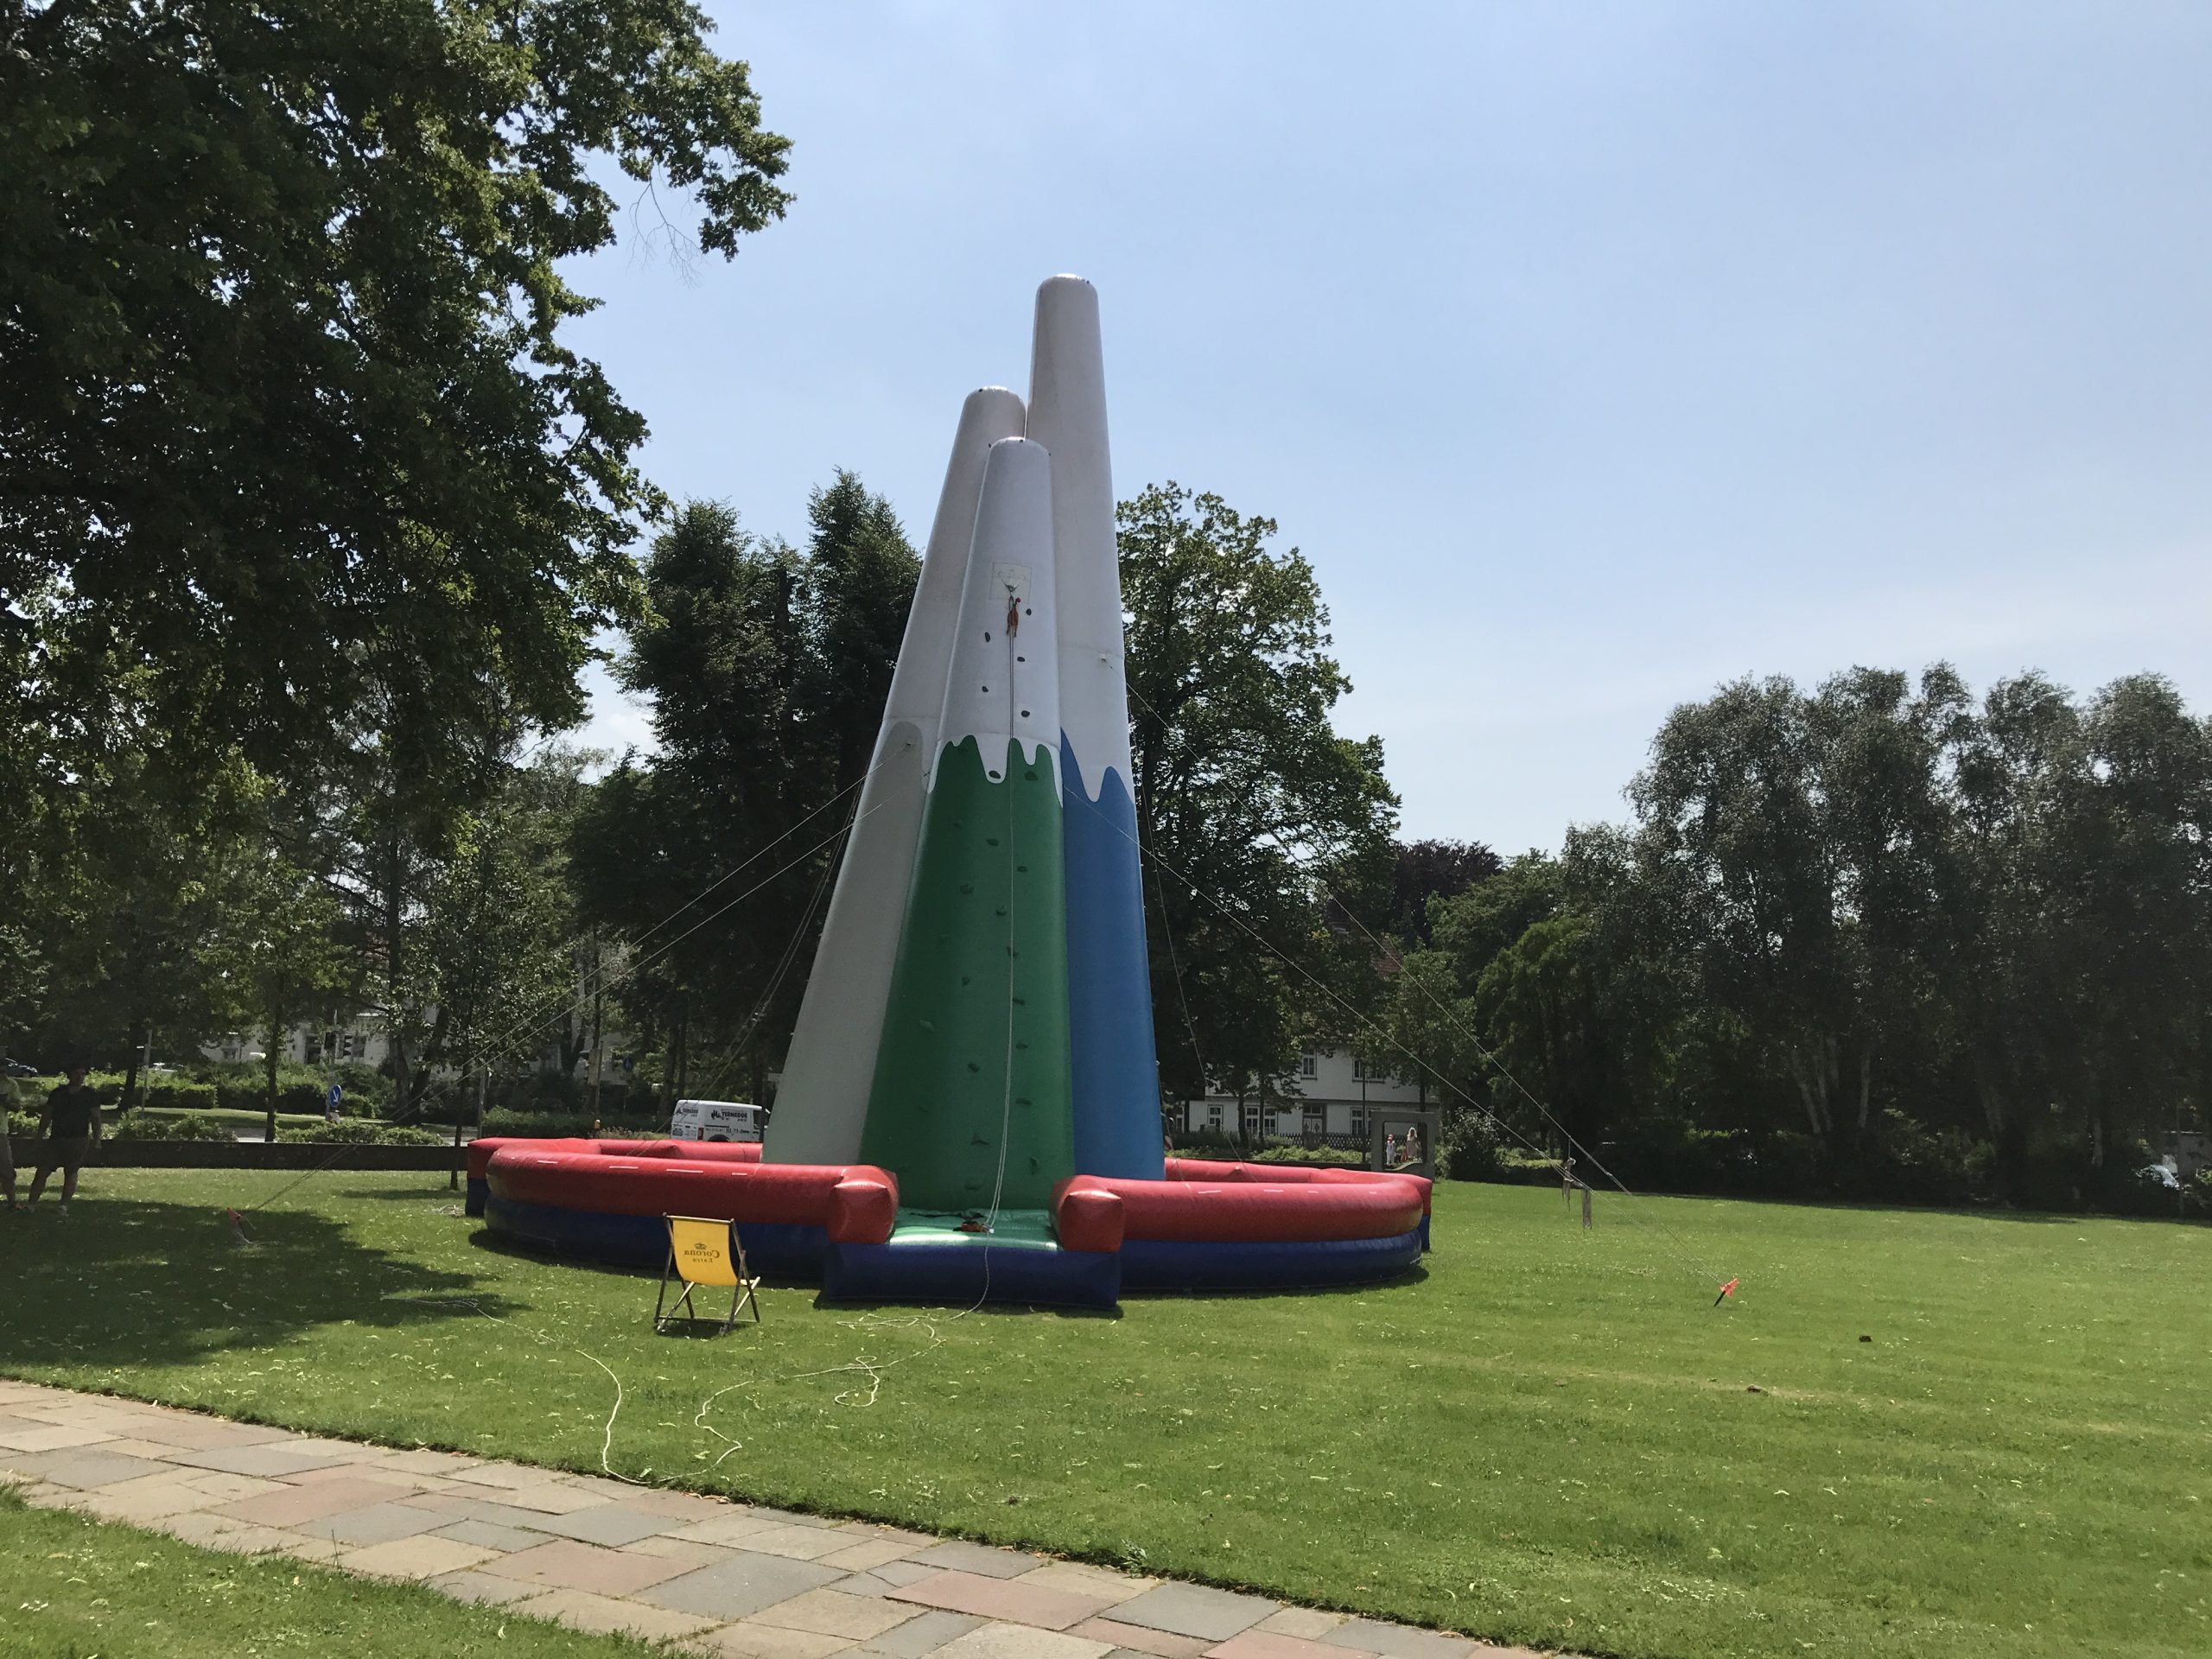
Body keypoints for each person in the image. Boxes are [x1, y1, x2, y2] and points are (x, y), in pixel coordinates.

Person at [28, 1065, 101, 1215]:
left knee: (71, 1172)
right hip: (57, 1138)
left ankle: (63, 1206)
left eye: (83, 1074)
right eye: (76, 1073)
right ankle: (31, 1204)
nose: (80, 1077)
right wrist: (39, 1135)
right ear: (69, 1075)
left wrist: (97, 1138)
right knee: (43, 1171)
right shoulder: (58, 1093)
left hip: (78, 1139)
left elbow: (96, 1118)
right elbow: (47, 1115)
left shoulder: (90, 1095)